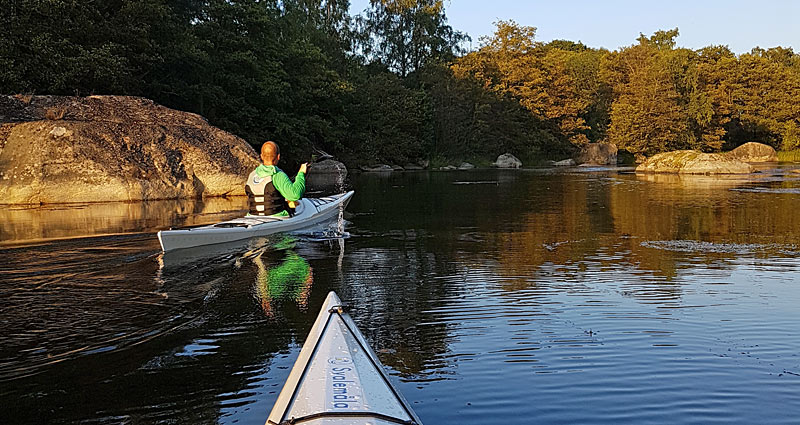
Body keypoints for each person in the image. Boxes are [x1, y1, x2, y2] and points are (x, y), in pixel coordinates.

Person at [245, 141, 308, 217]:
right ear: (278, 157)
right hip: (276, 217)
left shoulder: (252, 175)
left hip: (252, 218)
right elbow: (295, 195)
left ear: (261, 156)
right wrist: (301, 173)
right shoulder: (278, 175)